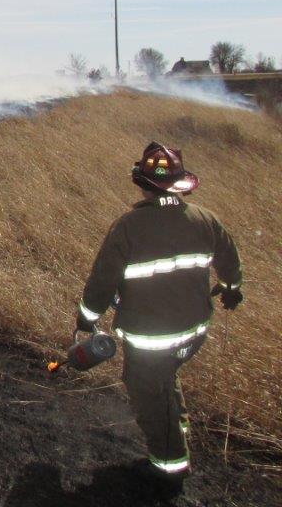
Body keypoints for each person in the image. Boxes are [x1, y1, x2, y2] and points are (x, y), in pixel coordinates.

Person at [74, 142, 243, 494]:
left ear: (142, 183)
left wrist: (86, 320)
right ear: (180, 183)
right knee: (165, 377)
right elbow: (229, 259)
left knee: (147, 391)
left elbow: (103, 281)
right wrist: (230, 288)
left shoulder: (129, 227)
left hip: (151, 338)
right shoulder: (204, 219)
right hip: (194, 332)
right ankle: (177, 429)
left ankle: (169, 468)